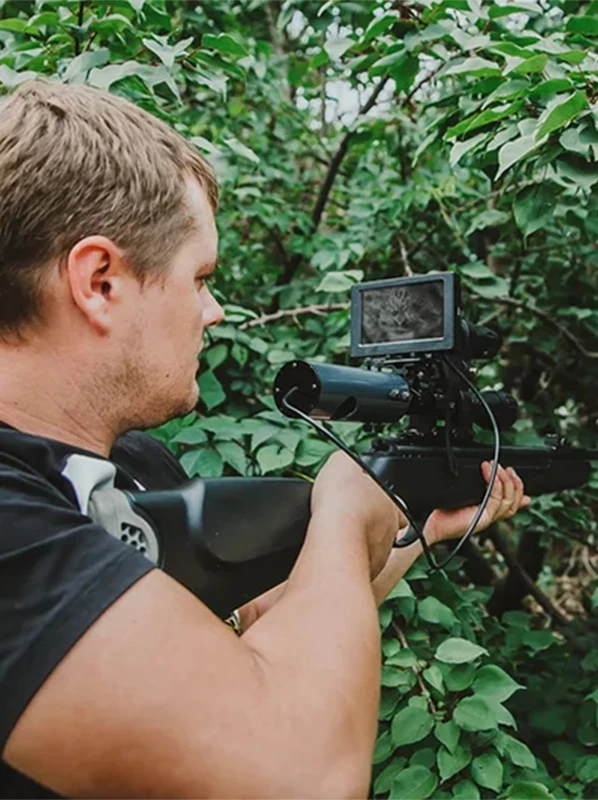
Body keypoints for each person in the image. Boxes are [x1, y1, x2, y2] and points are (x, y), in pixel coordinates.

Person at [0, 80, 530, 799]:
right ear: (99, 282)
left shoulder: (128, 464)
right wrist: (343, 511)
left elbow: (264, 628)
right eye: (201, 278)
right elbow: (301, 777)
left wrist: (416, 527)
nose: (213, 310)